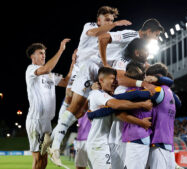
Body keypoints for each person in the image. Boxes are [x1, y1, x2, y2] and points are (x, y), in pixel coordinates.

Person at [45, 6, 132, 166]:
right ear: (99, 20)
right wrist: (117, 23)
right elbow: (95, 34)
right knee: (72, 101)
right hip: (81, 69)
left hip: (93, 72)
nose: (110, 23)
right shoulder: (90, 26)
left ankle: (52, 138)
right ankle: (55, 146)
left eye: (112, 20)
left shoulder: (111, 37)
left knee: (81, 110)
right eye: (107, 20)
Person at [86, 67, 153, 169]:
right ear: (101, 80)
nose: (115, 82)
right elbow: (117, 105)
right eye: (112, 78)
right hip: (98, 144)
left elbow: (118, 107)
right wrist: (141, 104)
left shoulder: (106, 95)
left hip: (101, 143)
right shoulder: (97, 94)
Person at [25, 39, 70, 169]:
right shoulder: (31, 69)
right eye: (40, 53)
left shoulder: (49, 75)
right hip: (36, 120)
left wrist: (73, 63)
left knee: (44, 161)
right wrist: (61, 50)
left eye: (44, 53)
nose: (44, 55)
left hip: (47, 122)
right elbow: (46, 68)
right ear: (33, 56)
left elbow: (66, 82)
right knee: (38, 159)